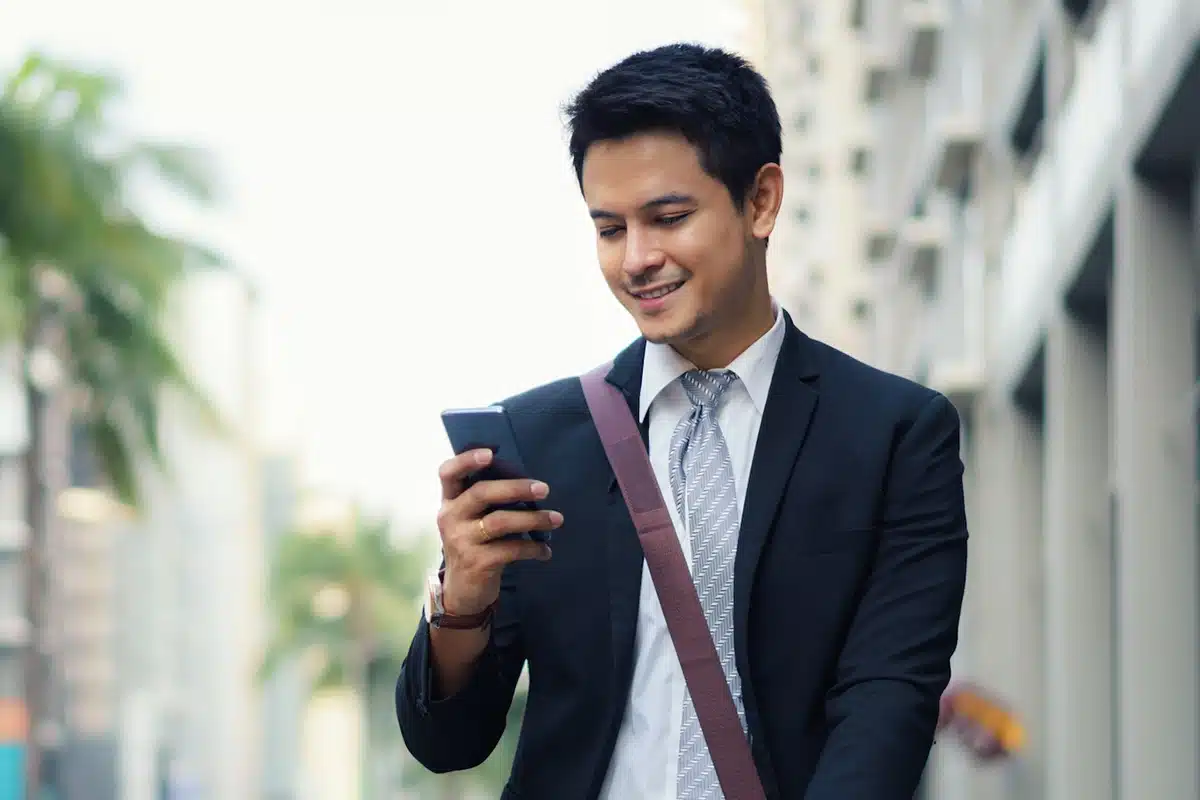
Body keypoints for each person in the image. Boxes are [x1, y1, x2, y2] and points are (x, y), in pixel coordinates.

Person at [396, 43, 968, 799]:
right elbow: (448, 743)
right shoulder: (540, 443)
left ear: (761, 201)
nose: (637, 259)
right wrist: (460, 605)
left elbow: (888, 697)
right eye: (609, 229)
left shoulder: (895, 434)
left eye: (668, 218)